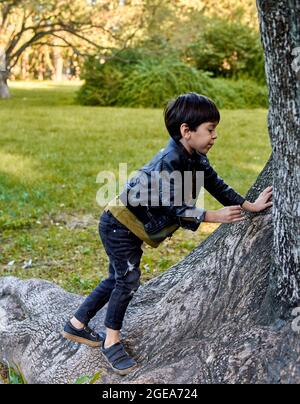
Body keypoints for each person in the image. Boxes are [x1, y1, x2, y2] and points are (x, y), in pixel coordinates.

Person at [63, 93, 273, 376]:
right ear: (187, 131)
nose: (215, 136)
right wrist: (214, 217)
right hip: (119, 224)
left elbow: (216, 185)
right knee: (126, 280)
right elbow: (175, 208)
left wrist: (249, 205)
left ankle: (76, 325)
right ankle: (111, 340)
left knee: (117, 278)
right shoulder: (168, 163)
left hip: (129, 226)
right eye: (210, 129)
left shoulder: (195, 157)